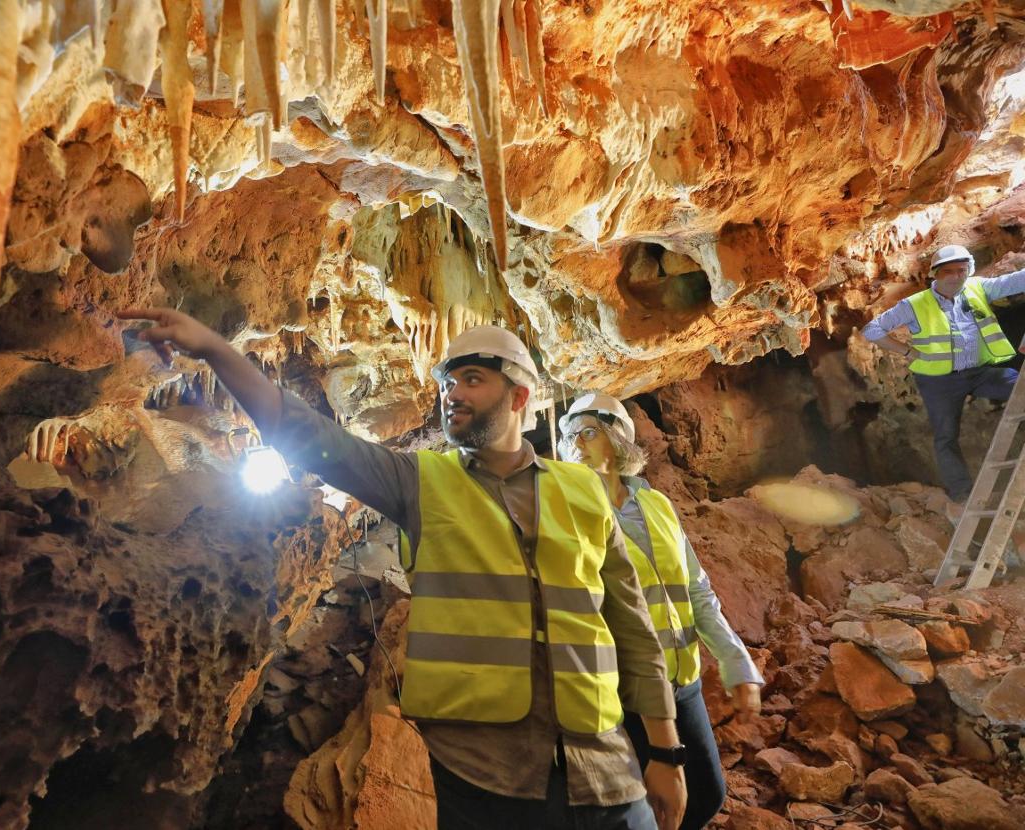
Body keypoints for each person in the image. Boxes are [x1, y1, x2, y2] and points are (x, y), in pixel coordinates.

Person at [118, 307, 687, 830]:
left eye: (471, 380)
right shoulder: (422, 481)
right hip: (484, 777)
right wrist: (216, 348)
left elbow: (633, 629)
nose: (452, 395)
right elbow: (310, 436)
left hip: (606, 771)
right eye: (446, 383)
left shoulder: (583, 491)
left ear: (519, 397)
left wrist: (665, 752)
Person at [557, 393, 764, 830]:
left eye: (589, 432)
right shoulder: (566, 512)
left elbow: (696, 589)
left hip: (682, 679)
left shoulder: (657, 505)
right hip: (621, 690)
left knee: (706, 794)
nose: (576, 444)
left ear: (617, 439)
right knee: (636, 810)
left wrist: (735, 662)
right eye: (570, 435)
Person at [861, 244, 1025, 503]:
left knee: (1021, 388)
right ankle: (962, 493)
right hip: (939, 382)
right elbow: (871, 330)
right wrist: (906, 352)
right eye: (949, 271)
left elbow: (1016, 281)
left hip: (979, 372)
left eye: (962, 270)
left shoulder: (978, 288)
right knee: (946, 436)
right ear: (935, 274)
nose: (957, 276)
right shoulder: (915, 305)